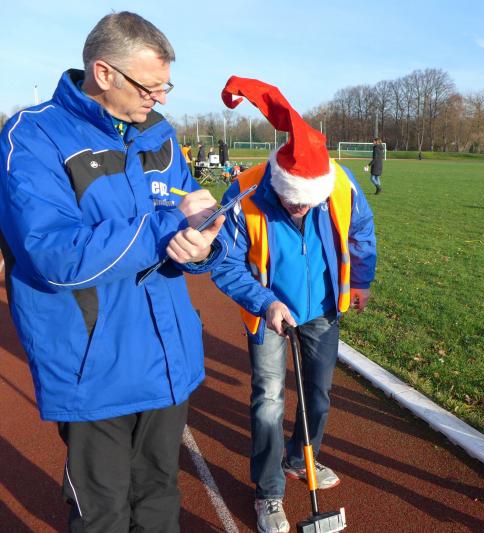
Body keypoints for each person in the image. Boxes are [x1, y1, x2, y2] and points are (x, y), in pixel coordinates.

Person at [0, 11, 225, 532]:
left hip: (168, 360)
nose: (160, 98)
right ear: (104, 73)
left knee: (160, 500)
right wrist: (166, 228)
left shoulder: (159, 134)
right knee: (102, 515)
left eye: (166, 85)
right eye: (150, 86)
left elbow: (190, 221)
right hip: (94, 370)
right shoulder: (32, 137)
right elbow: (54, 254)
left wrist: (202, 245)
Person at [211, 77, 377, 533]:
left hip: (322, 308)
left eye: (310, 205)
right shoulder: (243, 193)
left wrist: (361, 280)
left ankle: (301, 457)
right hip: (268, 313)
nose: (301, 210)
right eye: (293, 203)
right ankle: (268, 492)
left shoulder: (339, 184)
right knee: (268, 399)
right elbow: (224, 263)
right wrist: (265, 303)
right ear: (278, 183)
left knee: (317, 392)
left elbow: (361, 230)